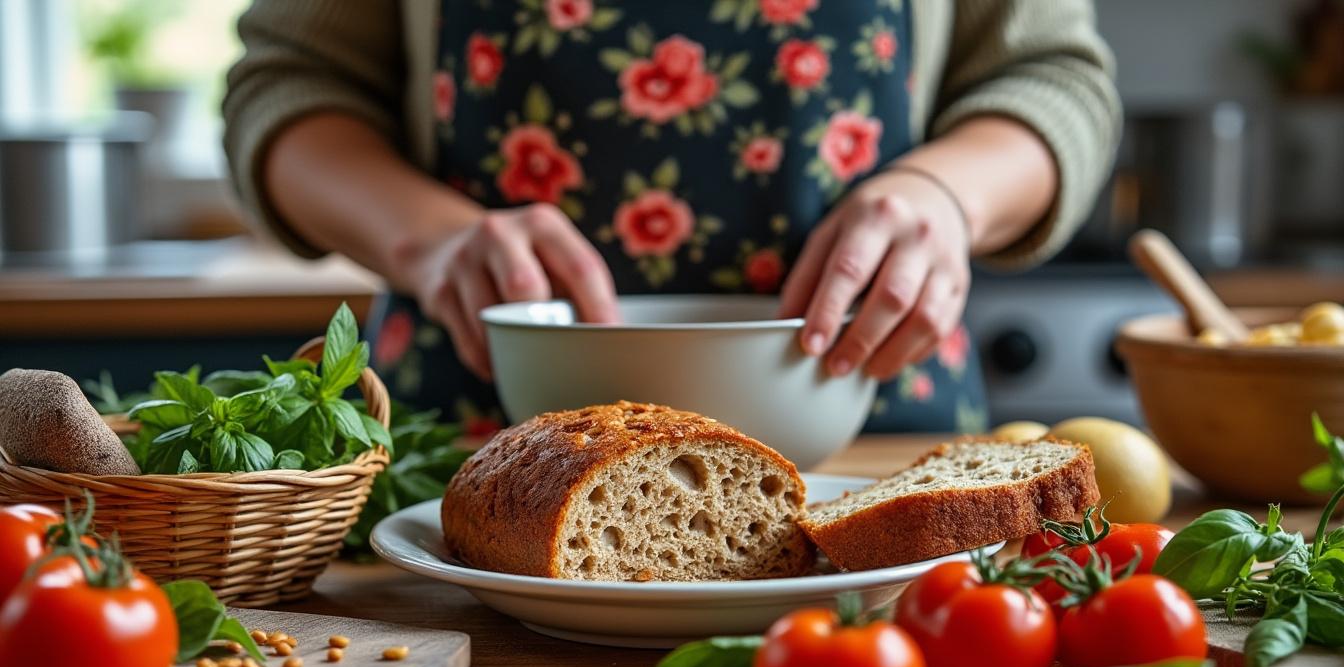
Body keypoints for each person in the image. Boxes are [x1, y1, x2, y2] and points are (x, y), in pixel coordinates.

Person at [223, 0, 1120, 436]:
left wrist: (948, 195)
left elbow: (1051, 81)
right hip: (465, 449)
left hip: (869, 446)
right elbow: (292, 82)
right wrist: (427, 234)